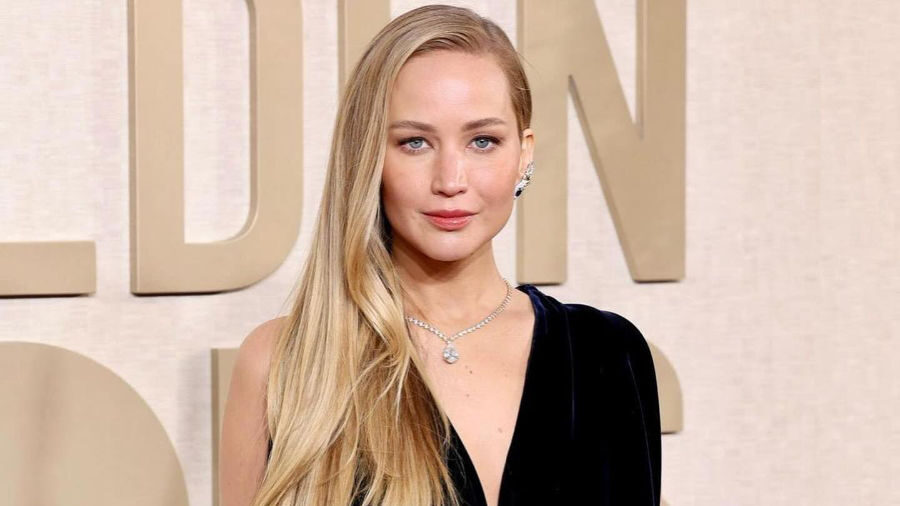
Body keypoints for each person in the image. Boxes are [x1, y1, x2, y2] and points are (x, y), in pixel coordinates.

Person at [219, 4, 660, 506]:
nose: (451, 181)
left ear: (524, 154)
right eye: (414, 143)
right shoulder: (286, 364)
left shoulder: (608, 356)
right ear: (368, 156)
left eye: (482, 141)